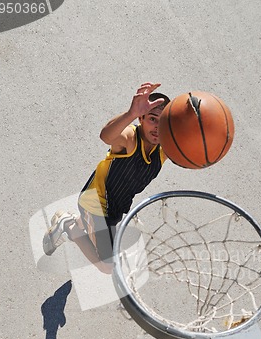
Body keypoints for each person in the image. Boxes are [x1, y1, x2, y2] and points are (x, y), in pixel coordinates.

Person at [43, 82, 170, 273]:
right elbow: (106, 136)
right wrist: (130, 114)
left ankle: (74, 222)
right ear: (141, 118)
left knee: (92, 227)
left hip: (115, 206)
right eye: (152, 119)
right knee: (108, 266)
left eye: (163, 123)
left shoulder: (164, 148)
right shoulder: (130, 139)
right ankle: (70, 227)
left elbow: (191, 150)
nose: (157, 128)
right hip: (95, 204)